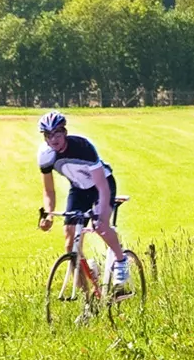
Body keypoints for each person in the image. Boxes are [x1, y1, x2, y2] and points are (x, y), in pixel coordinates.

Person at [36, 110, 130, 289]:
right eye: (48, 135)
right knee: (70, 242)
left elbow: (102, 186)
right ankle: (87, 296)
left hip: (102, 185)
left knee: (100, 226)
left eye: (57, 133)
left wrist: (101, 215)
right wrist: (48, 215)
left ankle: (121, 261)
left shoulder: (83, 147)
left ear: (65, 132)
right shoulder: (45, 155)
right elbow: (49, 190)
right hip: (79, 189)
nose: (53, 139)